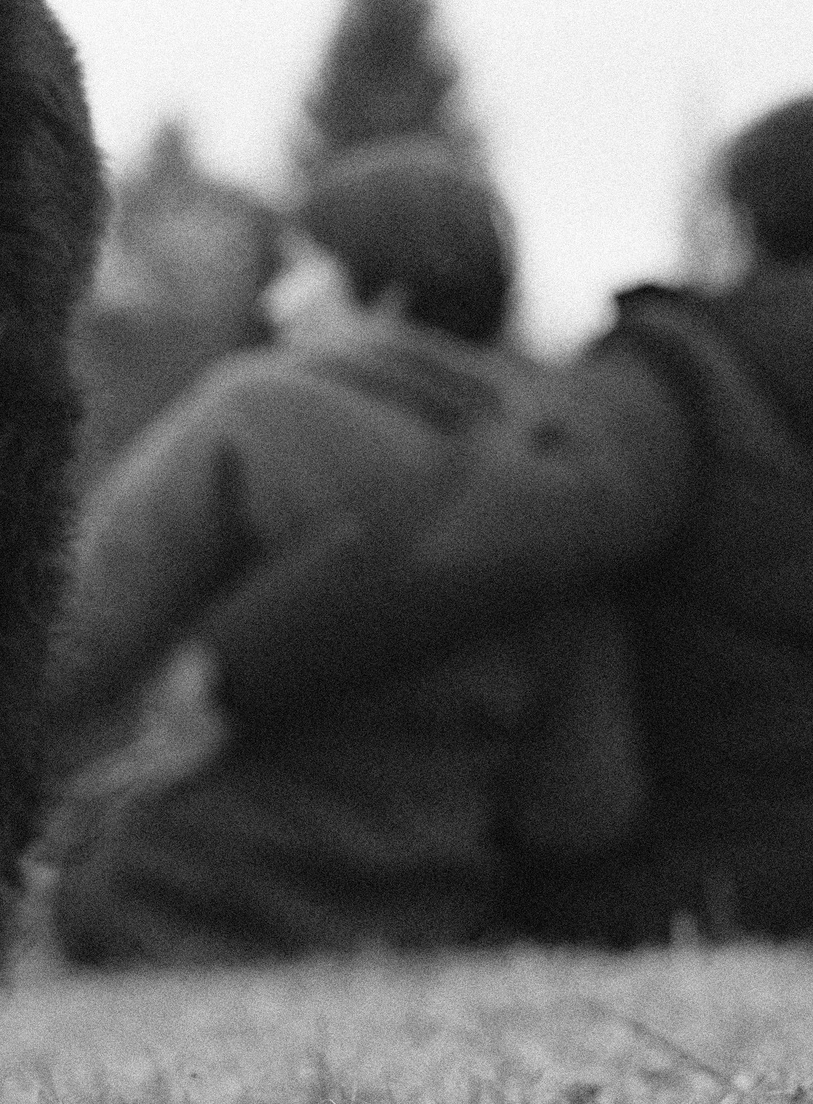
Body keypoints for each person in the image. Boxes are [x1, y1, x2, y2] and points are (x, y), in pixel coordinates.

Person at [154, 91, 813, 950]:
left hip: (702, 883)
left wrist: (238, 662)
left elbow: (471, 536)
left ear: (737, 223)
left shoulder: (684, 379)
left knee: (149, 872)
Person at [40, 138, 639, 967]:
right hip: (458, 893)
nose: (279, 302)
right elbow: (586, 784)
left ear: (386, 290)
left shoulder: (257, 414)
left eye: (301, 267)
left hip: (212, 877)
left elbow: (77, 634)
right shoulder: (550, 465)